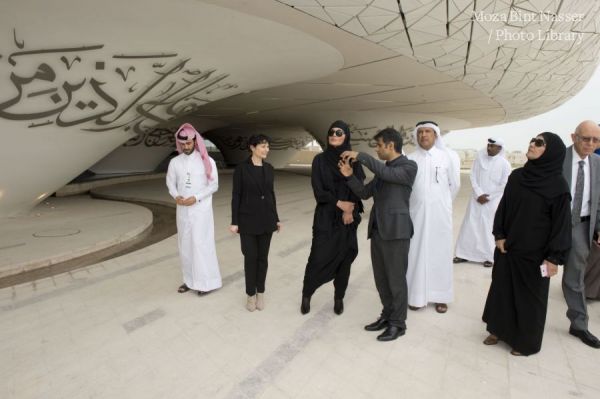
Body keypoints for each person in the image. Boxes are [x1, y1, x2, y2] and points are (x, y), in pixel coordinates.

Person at [482, 132, 571, 356]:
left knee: (529, 299)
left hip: (535, 255)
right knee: (502, 291)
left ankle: (525, 342)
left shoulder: (558, 186)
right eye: (532, 140)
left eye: (539, 143)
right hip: (508, 248)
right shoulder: (518, 176)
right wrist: (499, 234)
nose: (532, 144)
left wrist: (553, 258)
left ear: (550, 152)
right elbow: (504, 207)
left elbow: (562, 225)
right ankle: (497, 330)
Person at [340, 127, 418, 341]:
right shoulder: (385, 170)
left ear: (391, 146)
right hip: (379, 230)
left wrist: (361, 156)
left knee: (396, 280)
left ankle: (398, 324)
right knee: (382, 279)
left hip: (397, 232)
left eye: (379, 145)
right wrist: (349, 177)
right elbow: (365, 193)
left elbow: (386, 173)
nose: (377, 150)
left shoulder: (408, 167)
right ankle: (387, 315)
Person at [300, 120, 365, 316]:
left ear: (346, 136)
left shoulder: (353, 161)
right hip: (326, 217)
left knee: (344, 259)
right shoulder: (319, 160)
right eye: (331, 132)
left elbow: (358, 188)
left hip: (348, 219)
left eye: (339, 132)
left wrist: (348, 210)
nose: (334, 135)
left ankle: (339, 298)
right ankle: (306, 294)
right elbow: (319, 191)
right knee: (318, 257)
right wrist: (339, 204)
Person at [406, 121, 460, 313]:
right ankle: (416, 296)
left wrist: (440, 204)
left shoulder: (448, 157)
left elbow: (455, 185)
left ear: (436, 135)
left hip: (440, 215)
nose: (424, 135)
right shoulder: (410, 158)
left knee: (440, 253)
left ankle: (440, 296)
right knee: (415, 253)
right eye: (420, 132)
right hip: (416, 215)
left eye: (428, 131)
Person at [166, 123, 222, 295]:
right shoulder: (175, 162)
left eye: (188, 143)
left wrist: (195, 198)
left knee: (201, 245)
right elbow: (170, 182)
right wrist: (176, 196)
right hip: (183, 211)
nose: (185, 146)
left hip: (201, 211)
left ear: (195, 141)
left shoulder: (207, 161)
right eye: (182, 144)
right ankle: (189, 281)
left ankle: (206, 283)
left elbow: (214, 185)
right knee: (185, 246)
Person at [230, 134, 281, 312]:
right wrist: (234, 221)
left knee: (263, 259)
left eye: (267, 146)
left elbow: (271, 194)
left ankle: (261, 293)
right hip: (247, 221)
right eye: (262, 146)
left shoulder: (269, 168)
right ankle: (250, 295)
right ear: (252, 148)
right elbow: (236, 195)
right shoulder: (242, 169)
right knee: (250, 258)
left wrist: (276, 218)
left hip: (267, 220)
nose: (266, 149)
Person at [561, 120, 600, 348]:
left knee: (575, 278)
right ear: (573, 137)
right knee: (538, 274)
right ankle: (525, 320)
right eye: (586, 138)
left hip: (581, 227)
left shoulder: (597, 164)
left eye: (596, 140)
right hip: (552, 227)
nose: (591, 144)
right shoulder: (557, 159)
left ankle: (579, 325)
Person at [454, 138, 511, 267]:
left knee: (488, 228)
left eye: (493, 146)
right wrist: (479, 193)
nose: (489, 148)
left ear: (500, 148)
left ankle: (489, 257)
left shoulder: (504, 164)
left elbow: (504, 184)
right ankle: (463, 254)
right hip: (476, 199)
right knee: (470, 225)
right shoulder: (479, 159)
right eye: (488, 145)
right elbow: (472, 176)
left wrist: (488, 197)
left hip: (492, 202)